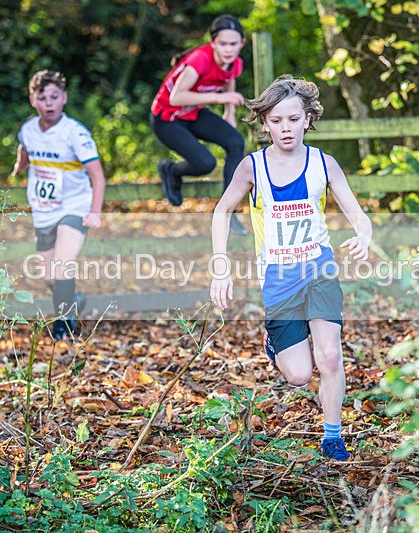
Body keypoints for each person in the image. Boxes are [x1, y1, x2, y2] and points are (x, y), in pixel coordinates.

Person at [210, 75, 372, 461]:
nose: (286, 128)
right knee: (299, 375)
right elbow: (222, 210)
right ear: (264, 123)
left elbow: (358, 214)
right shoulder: (252, 167)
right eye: (277, 120)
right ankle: (275, 343)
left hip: (319, 270)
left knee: (330, 357)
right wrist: (220, 265)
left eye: (294, 119)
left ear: (308, 119)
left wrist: (364, 235)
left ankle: (332, 436)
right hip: (279, 278)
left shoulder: (323, 164)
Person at [12, 70, 106, 340]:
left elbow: (97, 175)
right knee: (49, 275)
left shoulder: (74, 133)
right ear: (33, 100)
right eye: (43, 98)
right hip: (43, 210)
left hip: (74, 207)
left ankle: (62, 327)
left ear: (64, 98)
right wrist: (20, 165)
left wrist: (95, 211)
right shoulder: (28, 130)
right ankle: (73, 300)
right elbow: (25, 148)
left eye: (54, 97)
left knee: (63, 265)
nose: (49, 103)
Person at [150, 14, 249, 235]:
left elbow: (228, 80)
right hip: (167, 118)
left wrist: (229, 112)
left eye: (233, 44)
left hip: (193, 113)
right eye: (223, 44)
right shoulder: (200, 59)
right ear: (212, 42)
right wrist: (219, 98)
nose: (228, 49)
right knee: (205, 163)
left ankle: (226, 211)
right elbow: (176, 97)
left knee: (235, 142)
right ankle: (171, 170)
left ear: (242, 43)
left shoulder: (235, 63)